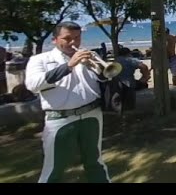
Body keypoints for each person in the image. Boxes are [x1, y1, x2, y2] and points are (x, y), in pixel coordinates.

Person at [25, 21, 112, 182]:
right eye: (67, 38)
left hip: (91, 115)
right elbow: (33, 84)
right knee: (54, 167)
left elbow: (105, 78)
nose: (73, 43)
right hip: (60, 118)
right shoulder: (40, 60)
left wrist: (96, 68)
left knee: (95, 161)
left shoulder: (90, 56)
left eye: (77, 37)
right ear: (55, 40)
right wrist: (69, 66)